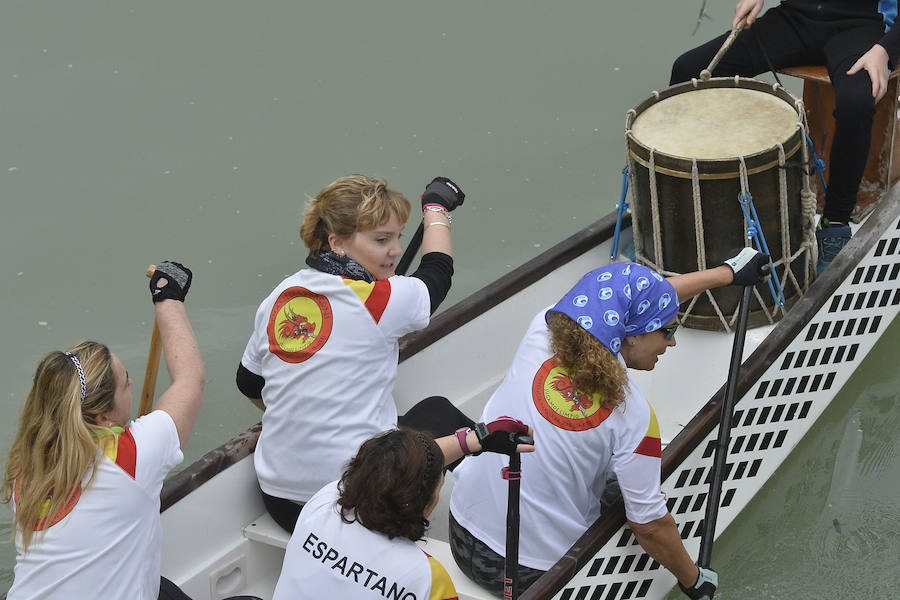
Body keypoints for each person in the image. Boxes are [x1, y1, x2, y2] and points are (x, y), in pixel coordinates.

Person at [448, 248, 771, 598]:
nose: (674, 341)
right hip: (532, 575)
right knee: (642, 490)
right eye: (668, 330)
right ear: (632, 334)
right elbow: (648, 526)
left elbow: (636, 299)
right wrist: (693, 580)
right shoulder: (632, 413)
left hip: (461, 533)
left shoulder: (543, 328)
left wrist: (727, 274)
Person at [237, 174, 484, 533]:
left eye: (399, 236)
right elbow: (437, 273)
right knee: (440, 414)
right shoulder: (378, 300)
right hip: (353, 503)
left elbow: (248, 381)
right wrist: (436, 210)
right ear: (336, 242)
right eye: (382, 240)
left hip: (280, 502)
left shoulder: (282, 294)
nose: (396, 250)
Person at [2, 262, 205, 599]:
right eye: (125, 384)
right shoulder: (131, 457)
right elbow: (190, 381)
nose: (132, 383)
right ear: (102, 417)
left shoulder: (27, 470)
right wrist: (167, 296)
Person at [670, 0, 900, 274]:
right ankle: (687, 200)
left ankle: (835, 223)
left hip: (861, 28)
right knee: (688, 70)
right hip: (795, 18)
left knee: (856, 103)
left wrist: (886, 49)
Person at [273, 425, 533, 600]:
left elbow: (389, 468)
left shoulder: (324, 503)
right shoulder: (426, 578)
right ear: (428, 505)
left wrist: (472, 440)